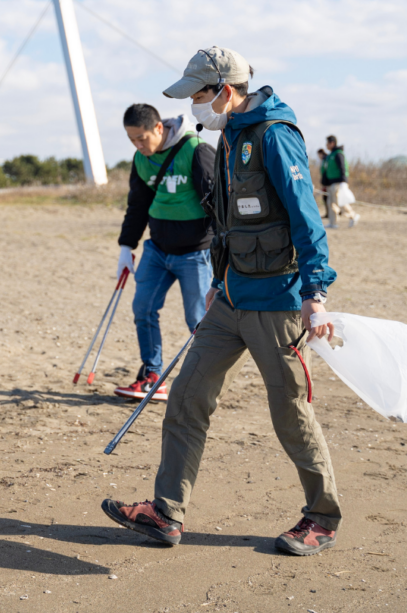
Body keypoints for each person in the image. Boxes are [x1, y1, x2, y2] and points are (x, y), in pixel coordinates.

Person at [101, 46, 342, 556]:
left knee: (290, 411)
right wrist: (218, 279)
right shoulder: (229, 133)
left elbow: (306, 217)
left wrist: (315, 294)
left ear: (226, 91)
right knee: (187, 398)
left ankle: (322, 518)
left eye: (198, 95)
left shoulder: (275, 135)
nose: (192, 106)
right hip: (229, 299)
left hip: (278, 302)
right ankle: (166, 512)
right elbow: (229, 222)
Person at [114, 103, 216, 401]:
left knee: (198, 320)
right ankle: (152, 376)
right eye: (132, 139)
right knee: (143, 309)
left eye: (142, 138)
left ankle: (204, 382)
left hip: (196, 253)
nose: (138, 145)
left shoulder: (196, 150)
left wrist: (225, 254)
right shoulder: (141, 159)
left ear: (159, 128)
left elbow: (220, 206)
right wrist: (126, 247)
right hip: (157, 250)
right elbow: (137, 205)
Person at [324, 135, 359, 229]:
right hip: (331, 183)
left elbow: (343, 167)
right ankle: (333, 222)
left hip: (338, 182)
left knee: (340, 202)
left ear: (332, 143)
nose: (326, 145)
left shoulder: (338, 154)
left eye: (327, 143)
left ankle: (353, 215)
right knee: (331, 203)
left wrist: (343, 181)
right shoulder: (330, 155)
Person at [316, 147, 332, 220]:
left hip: (327, 182)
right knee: (325, 198)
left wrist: (326, 182)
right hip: (325, 181)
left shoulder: (326, 159)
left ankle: (330, 214)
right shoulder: (324, 160)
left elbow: (327, 171)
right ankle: (328, 213)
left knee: (328, 198)